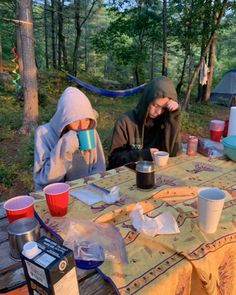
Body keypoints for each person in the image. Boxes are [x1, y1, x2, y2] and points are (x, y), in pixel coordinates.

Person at [34, 86, 106, 190]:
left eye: (86, 119)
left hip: (86, 191)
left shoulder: (90, 132)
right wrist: (64, 147)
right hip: (56, 194)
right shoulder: (44, 134)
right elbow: (42, 180)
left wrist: (90, 188)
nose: (82, 126)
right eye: (75, 120)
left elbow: (99, 167)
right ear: (64, 118)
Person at [107, 76, 182, 169]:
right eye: (155, 105)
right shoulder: (125, 121)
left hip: (157, 175)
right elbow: (114, 160)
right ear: (147, 101)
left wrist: (174, 117)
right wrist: (143, 155)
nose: (158, 112)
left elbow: (173, 153)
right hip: (127, 176)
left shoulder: (164, 123)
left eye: (163, 108)